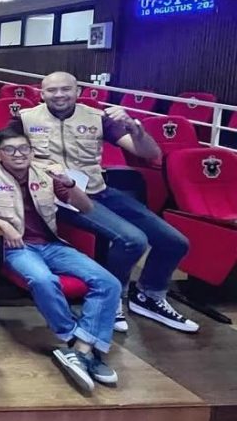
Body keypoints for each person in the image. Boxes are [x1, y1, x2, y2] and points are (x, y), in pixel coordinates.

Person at [17, 71, 197, 333]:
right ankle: (111, 299)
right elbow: (7, 154)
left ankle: (149, 295)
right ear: (41, 94)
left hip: (99, 189)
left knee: (175, 241)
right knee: (133, 240)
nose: (59, 95)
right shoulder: (25, 119)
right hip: (58, 197)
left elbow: (150, 153)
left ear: (78, 92)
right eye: (52, 90)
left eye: (66, 89)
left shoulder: (97, 118)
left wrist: (136, 130)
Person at [0, 127, 121, 393]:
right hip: (16, 247)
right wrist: (3, 225)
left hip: (52, 245)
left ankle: (81, 348)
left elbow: (86, 207)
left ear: (31, 151)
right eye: (10, 150)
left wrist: (69, 183)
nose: (18, 154)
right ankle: (74, 340)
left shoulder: (47, 173)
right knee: (43, 280)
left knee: (109, 283)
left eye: (23, 149)